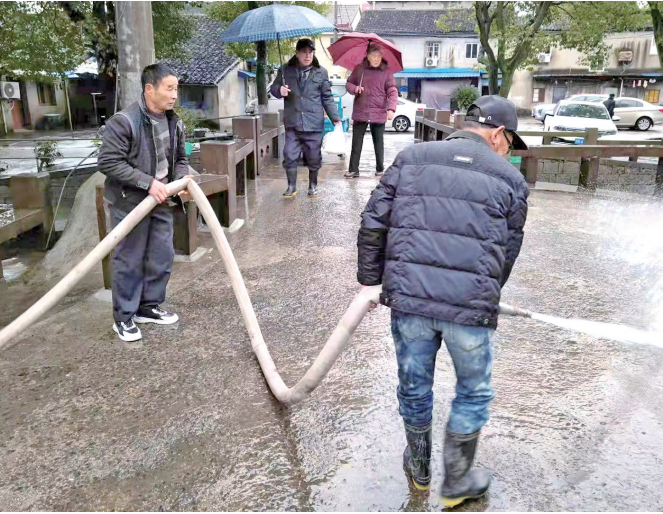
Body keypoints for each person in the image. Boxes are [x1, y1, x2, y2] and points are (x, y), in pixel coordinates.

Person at [356, 96, 530, 506]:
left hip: (410, 301)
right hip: (470, 309)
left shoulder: (411, 157)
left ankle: (418, 470)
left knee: (414, 387)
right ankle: (456, 481)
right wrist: (487, 292)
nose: (508, 152)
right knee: (472, 391)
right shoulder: (510, 180)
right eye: (510, 143)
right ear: (497, 134)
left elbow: (372, 222)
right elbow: (509, 250)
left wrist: (370, 281)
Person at [98, 63, 192, 343]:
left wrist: (182, 181)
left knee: (161, 256)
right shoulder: (124, 121)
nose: (175, 94)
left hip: (162, 202)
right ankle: (124, 318)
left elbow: (181, 160)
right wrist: (147, 182)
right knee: (129, 260)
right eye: (169, 88)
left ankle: (148, 307)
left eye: (176, 88)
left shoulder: (175, 122)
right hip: (131, 203)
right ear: (150, 89)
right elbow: (108, 162)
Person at [270, 38, 341, 198]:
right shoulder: (285, 70)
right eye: (304, 52)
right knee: (289, 154)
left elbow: (327, 97)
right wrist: (279, 90)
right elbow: (273, 88)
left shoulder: (321, 72)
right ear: (297, 53)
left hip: (313, 122)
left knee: (314, 156)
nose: (308, 56)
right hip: (293, 121)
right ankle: (291, 186)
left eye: (311, 52)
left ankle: (313, 185)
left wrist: (335, 117)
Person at [344, 44, 398, 178]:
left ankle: (380, 168)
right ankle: (353, 169)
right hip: (361, 110)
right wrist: (355, 89)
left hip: (378, 111)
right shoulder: (359, 69)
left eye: (378, 56)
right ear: (367, 56)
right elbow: (348, 84)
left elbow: (392, 90)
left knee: (378, 142)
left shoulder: (386, 72)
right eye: (373, 56)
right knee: (356, 142)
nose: (376, 59)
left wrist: (391, 108)